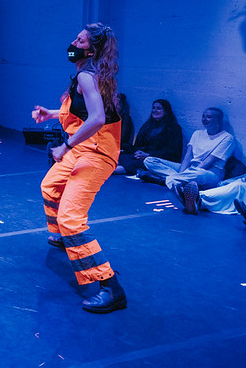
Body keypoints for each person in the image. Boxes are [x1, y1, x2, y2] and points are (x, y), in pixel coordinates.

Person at [31, 23, 126, 314]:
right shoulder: (85, 73)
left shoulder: (87, 75)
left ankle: (110, 287)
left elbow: (97, 118)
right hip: (86, 147)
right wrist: (51, 113)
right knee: (49, 187)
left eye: (80, 39)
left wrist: (67, 146)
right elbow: (82, 111)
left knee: (71, 218)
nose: (73, 42)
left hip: (95, 152)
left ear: (91, 48)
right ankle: (63, 237)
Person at [142, 108, 234, 214]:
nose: (204, 119)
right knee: (149, 161)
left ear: (218, 120)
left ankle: (165, 181)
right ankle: (178, 181)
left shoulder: (227, 138)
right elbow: (187, 156)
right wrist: (182, 173)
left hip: (210, 172)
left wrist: (188, 173)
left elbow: (209, 161)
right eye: (203, 116)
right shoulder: (197, 133)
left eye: (209, 117)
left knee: (198, 173)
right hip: (189, 169)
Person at [114, 99, 183, 175]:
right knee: (123, 156)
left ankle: (110, 171)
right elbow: (138, 145)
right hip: (144, 155)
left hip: (158, 158)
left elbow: (171, 152)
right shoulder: (148, 126)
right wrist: (138, 152)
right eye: (153, 108)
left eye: (159, 108)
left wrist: (148, 155)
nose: (155, 110)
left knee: (136, 163)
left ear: (166, 112)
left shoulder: (173, 128)